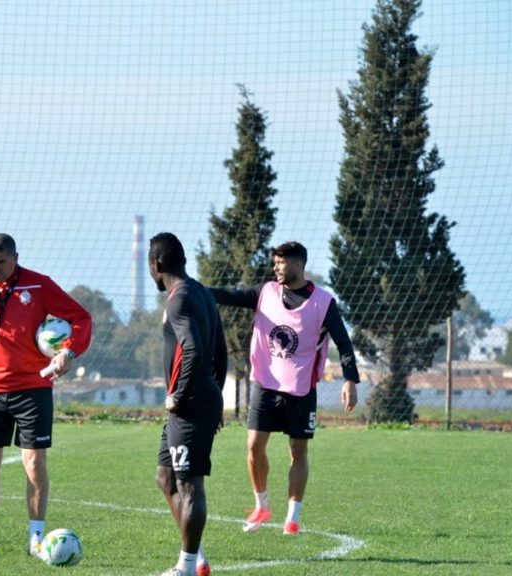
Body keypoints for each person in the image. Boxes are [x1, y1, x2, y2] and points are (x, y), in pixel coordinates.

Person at [0, 233, 92, 559]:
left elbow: (81, 318)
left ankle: (36, 541)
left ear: (15, 258)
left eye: (1, 262)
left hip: (33, 388)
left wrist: (69, 351)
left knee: (34, 464)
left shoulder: (39, 286)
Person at [209, 241, 359, 536]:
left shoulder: (323, 302)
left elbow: (343, 342)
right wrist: (191, 289)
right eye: (274, 262)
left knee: (298, 450)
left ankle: (293, 517)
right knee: (254, 446)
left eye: (281, 262)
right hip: (265, 382)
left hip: (302, 387)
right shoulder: (265, 292)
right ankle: (261, 506)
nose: (275, 267)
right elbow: (229, 295)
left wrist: (350, 379)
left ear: (298, 264)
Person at [148, 232, 227, 576]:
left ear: (157, 264)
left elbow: (193, 349)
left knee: (189, 484)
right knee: (165, 477)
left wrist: (178, 395)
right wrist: (217, 394)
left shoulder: (178, 299)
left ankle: (186, 566)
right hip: (201, 398)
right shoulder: (202, 294)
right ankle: (198, 556)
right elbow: (221, 353)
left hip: (189, 403)